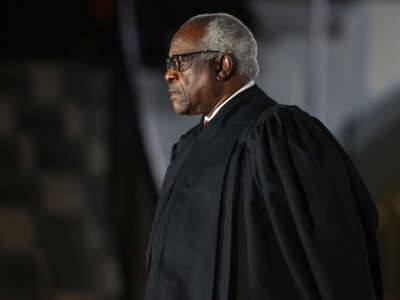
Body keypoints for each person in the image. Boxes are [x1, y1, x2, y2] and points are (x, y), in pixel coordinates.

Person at [144, 13, 383, 300]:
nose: (169, 74)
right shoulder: (185, 148)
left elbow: (332, 265)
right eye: (168, 64)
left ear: (222, 65)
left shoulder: (280, 136)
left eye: (180, 62)